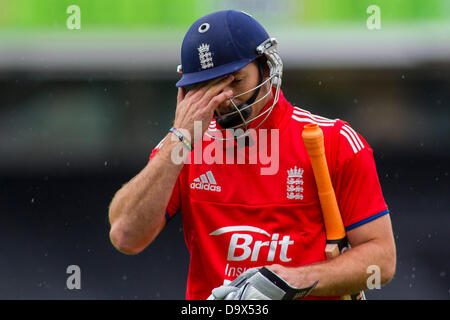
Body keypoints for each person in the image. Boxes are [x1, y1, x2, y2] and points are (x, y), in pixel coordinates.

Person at [108, 10, 396, 300]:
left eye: (235, 81)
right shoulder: (182, 148)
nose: (225, 99)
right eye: (209, 87)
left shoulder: (334, 141)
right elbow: (125, 236)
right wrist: (178, 139)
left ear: (267, 68)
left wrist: (292, 281)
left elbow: (381, 261)